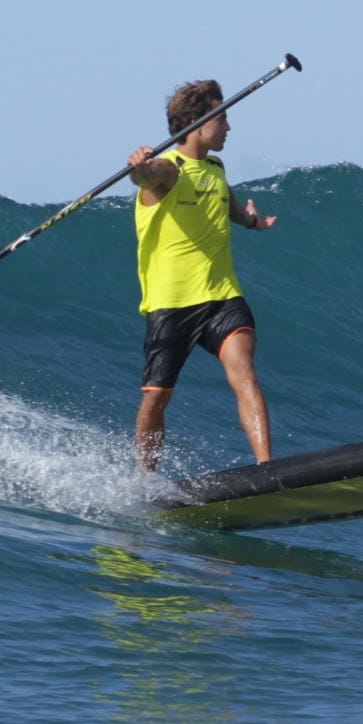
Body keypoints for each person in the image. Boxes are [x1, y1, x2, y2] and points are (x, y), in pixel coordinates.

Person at [126, 79, 278, 471]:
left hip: (222, 296)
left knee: (245, 371)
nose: (228, 127)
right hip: (171, 304)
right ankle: (145, 482)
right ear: (197, 121)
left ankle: (267, 470)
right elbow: (146, 177)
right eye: (222, 118)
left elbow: (224, 203)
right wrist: (139, 165)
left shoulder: (214, 166)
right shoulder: (167, 172)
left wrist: (251, 221)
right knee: (157, 398)